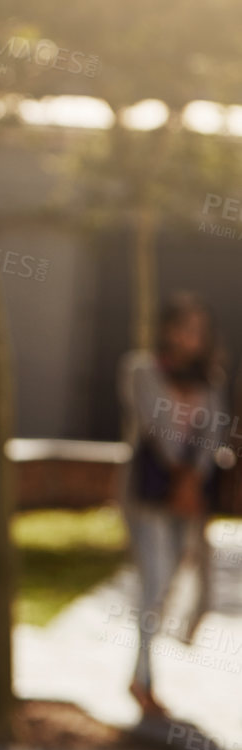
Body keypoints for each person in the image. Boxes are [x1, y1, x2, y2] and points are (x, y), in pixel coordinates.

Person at [118, 292, 227, 720]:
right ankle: (143, 678)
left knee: (185, 580)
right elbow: (152, 424)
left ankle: (148, 669)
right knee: (156, 579)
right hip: (148, 493)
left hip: (190, 499)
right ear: (167, 329)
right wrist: (181, 475)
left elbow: (214, 436)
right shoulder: (140, 369)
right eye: (183, 327)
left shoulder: (211, 382)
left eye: (197, 330)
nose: (190, 337)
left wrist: (195, 478)